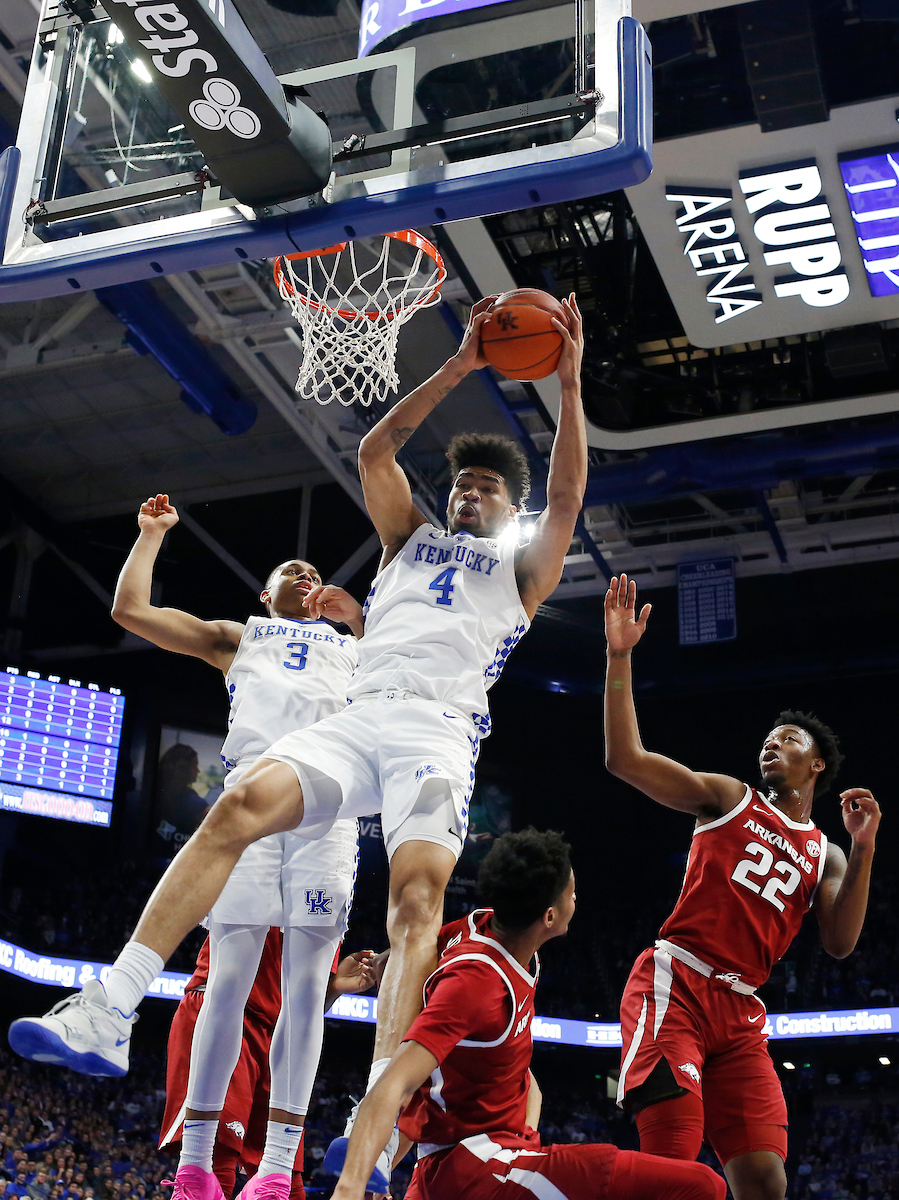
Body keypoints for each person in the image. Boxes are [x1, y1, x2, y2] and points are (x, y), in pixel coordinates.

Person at [10, 293, 586, 1194]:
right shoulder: (407, 540)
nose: (470, 494)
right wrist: (462, 363)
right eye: (463, 484)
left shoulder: (520, 571)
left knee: (416, 902)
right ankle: (111, 1004)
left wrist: (569, 381)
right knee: (236, 806)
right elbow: (374, 454)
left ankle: (379, 1118)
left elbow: (569, 495)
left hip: (437, 734)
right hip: (361, 715)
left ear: (509, 509)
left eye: (487, 489)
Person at [10, 496, 366, 1200]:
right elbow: (130, 611)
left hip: (327, 811)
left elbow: (417, 670)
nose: (304, 574)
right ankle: (197, 1168)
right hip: (251, 802)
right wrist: (149, 537)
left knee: (301, 992)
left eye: (313, 571)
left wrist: (358, 619)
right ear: (264, 594)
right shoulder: (240, 638)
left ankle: (275, 1171)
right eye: (290, 569)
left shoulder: (360, 650)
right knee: (226, 983)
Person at [603, 574, 881, 1200]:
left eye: (788, 740)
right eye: (767, 741)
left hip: (741, 1008)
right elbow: (625, 760)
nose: (771, 745)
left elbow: (840, 942)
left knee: (763, 1179)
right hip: (677, 984)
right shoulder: (730, 798)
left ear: (817, 765)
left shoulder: (828, 852)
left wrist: (864, 847)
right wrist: (619, 657)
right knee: (673, 1162)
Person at [329, 828, 726, 1200]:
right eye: (572, 893)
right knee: (701, 1185)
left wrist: (379, 962)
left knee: (532, 1087)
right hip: (477, 1166)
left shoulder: (483, 926)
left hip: (497, 1150)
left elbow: (414, 954)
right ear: (549, 917)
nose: (577, 899)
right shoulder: (474, 984)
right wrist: (351, 1187)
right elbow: (394, 1082)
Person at [160, 929, 376, 1200]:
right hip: (226, 1015)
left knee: (285, 1185)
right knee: (214, 1164)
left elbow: (302, 1006)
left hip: (279, 1036)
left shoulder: (335, 908)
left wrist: (332, 989)